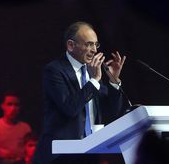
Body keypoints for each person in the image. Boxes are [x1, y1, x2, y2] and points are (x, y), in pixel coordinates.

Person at [34, 21, 129, 164]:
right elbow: (70, 108)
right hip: (60, 156)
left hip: (90, 153)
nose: (94, 50)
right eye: (88, 44)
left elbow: (112, 112)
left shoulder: (92, 71)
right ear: (71, 45)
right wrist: (94, 80)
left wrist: (114, 81)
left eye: (95, 45)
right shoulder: (55, 70)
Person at [0, 91, 32, 164]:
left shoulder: (25, 128)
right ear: (2, 106)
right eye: (9, 104)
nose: (13, 108)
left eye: (16, 105)